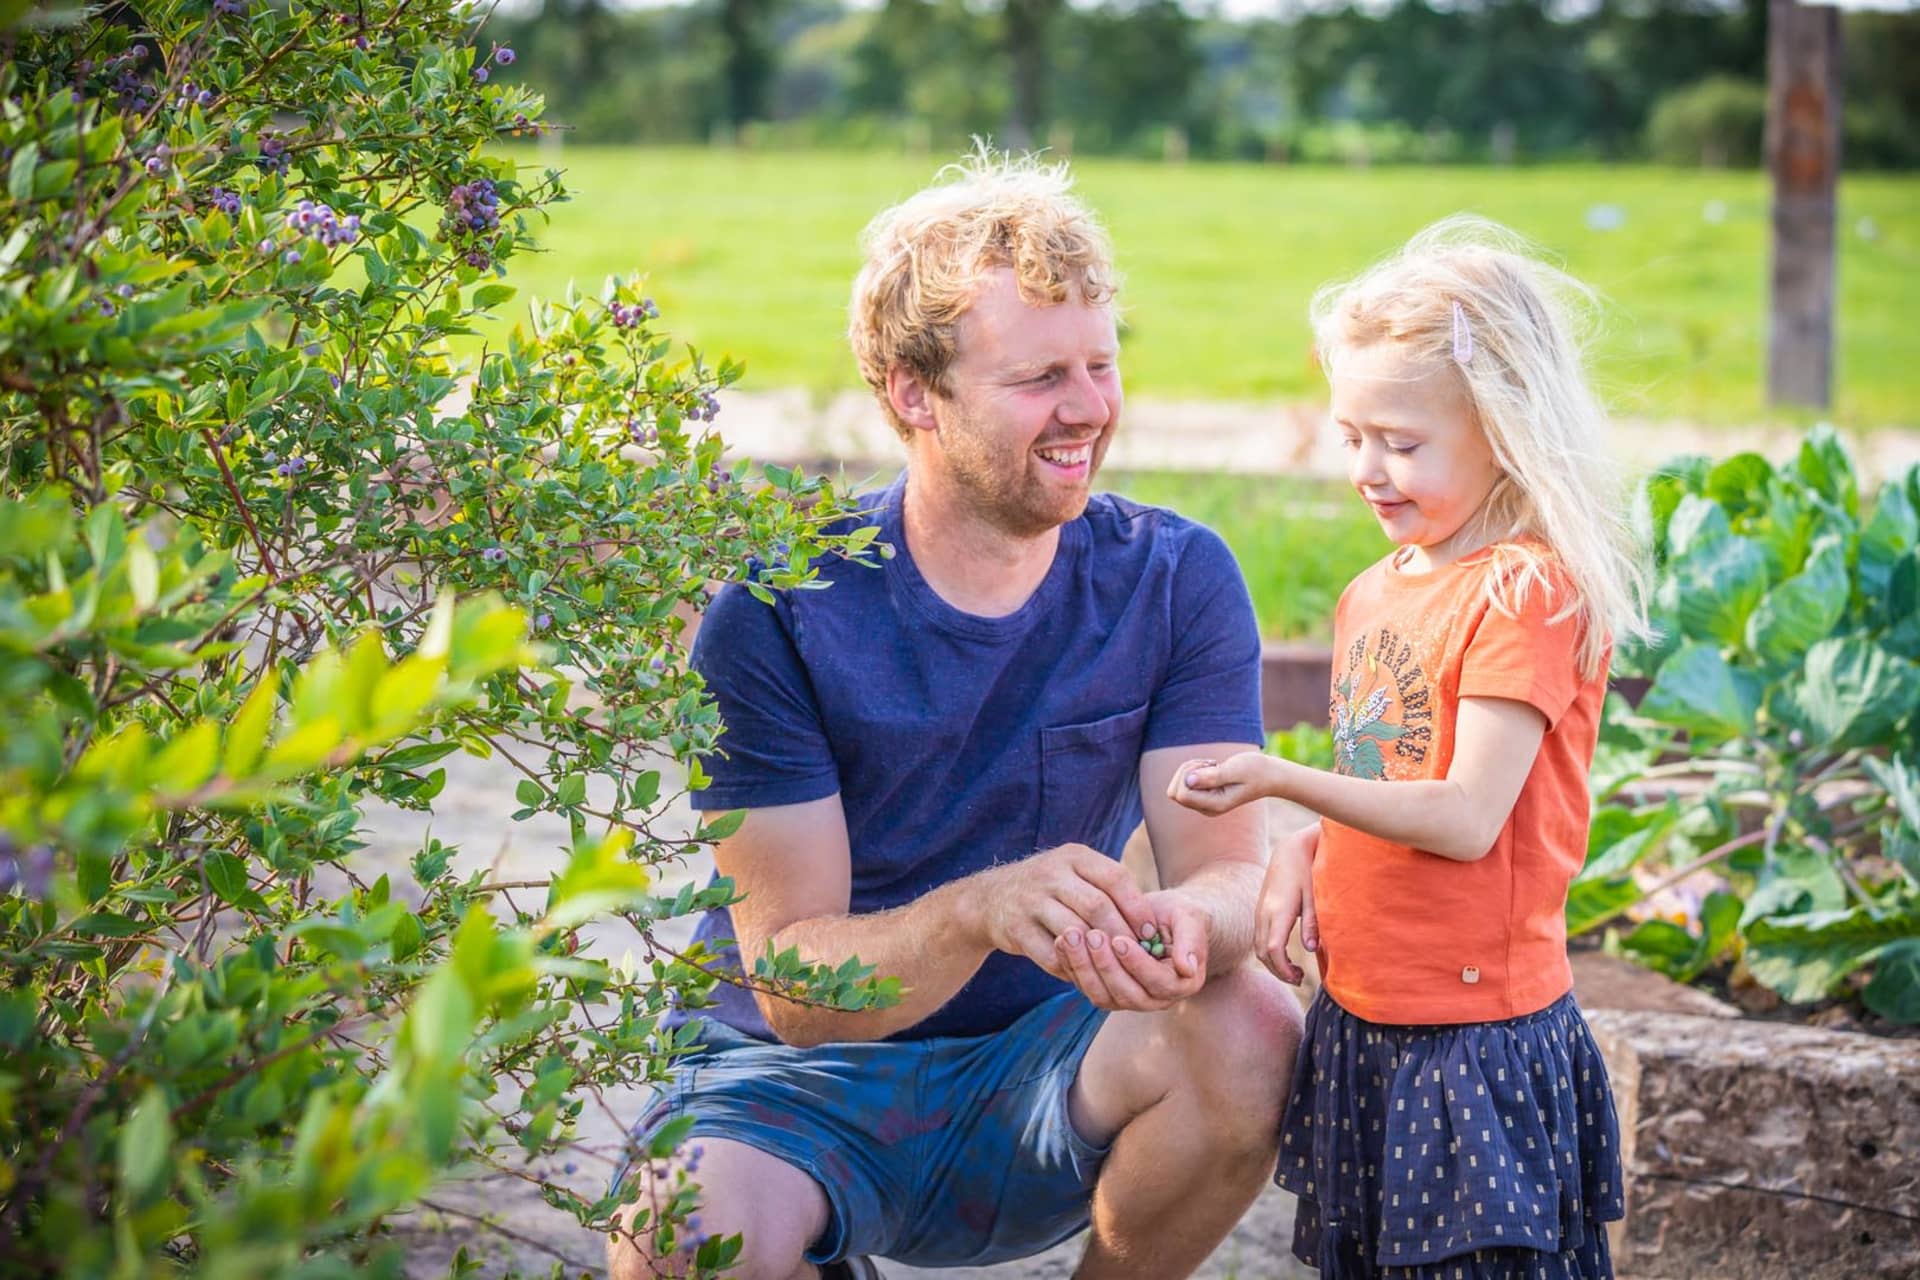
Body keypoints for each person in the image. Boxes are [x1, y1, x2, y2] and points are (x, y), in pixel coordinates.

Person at [606, 148, 1303, 1280]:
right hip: (790, 1087)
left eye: (1100, 365)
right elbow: (794, 986)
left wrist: (1194, 928)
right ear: (911, 391)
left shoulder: (1177, 577)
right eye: (1039, 379)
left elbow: (1224, 871)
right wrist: (978, 909)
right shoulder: (777, 610)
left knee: (1252, 1025)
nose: (1087, 409)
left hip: (1048, 1064)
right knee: (680, 1240)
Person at [1169, 216, 1650, 1279]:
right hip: (1366, 1016)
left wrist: (1284, 779)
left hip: (1472, 1036)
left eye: (1402, 440)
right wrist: (1303, 847)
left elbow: (1467, 813)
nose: (1368, 469)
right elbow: (1386, 780)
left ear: (1502, 425)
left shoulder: (1527, 591)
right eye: (1351, 435)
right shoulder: (1376, 591)